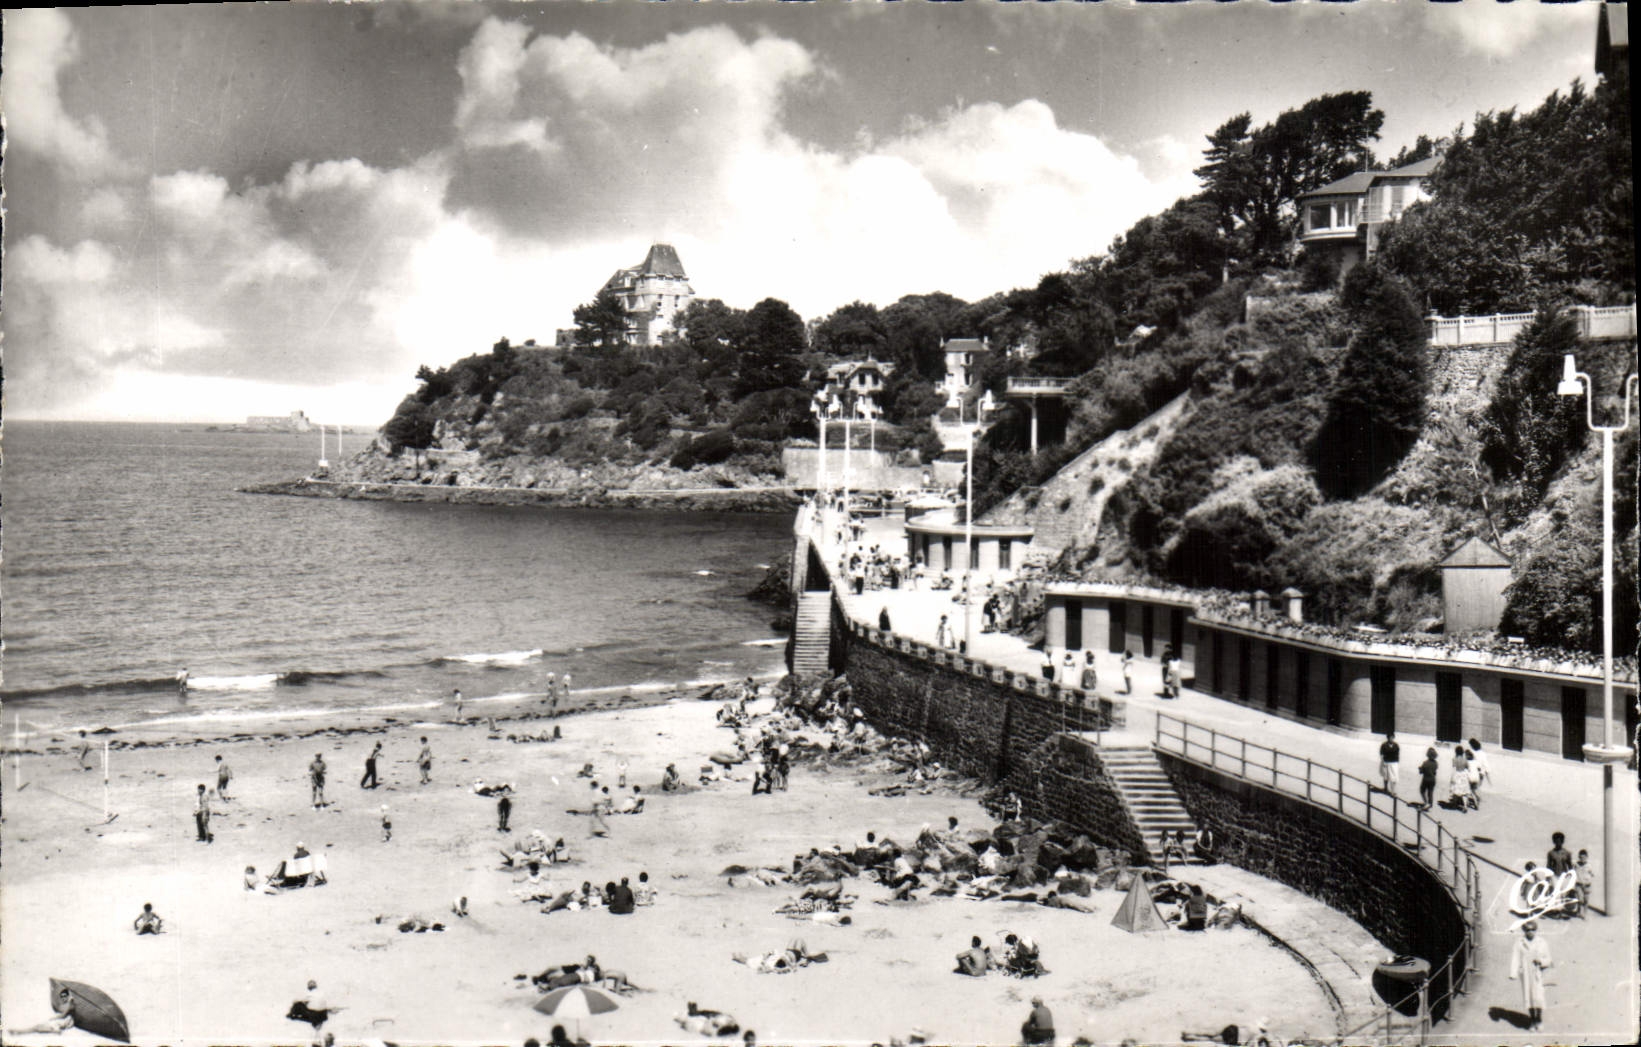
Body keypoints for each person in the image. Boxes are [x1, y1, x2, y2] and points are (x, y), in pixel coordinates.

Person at [1510, 920, 1552, 1028]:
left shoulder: (1542, 942)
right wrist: (1513, 973)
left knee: (1538, 997)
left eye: (1533, 930)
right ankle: (1532, 1020)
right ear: (1524, 930)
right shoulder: (1519, 942)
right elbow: (1515, 958)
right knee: (1528, 997)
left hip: (1537, 973)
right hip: (1525, 973)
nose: (1530, 932)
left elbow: (1548, 959)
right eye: (1528, 930)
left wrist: (1541, 961)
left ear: (1536, 930)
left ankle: (1539, 1019)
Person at [1467, 737, 1491, 804]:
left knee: (1471, 787)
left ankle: (1477, 798)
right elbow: (1486, 765)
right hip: (1481, 774)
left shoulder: (1472, 752)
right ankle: (1476, 798)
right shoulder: (1483, 753)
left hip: (1473, 772)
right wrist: (1488, 776)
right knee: (1476, 787)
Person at [1448, 746, 1472, 811]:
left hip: (1457, 774)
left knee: (1456, 791)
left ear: (1456, 752)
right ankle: (1465, 806)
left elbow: (1454, 768)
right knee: (1464, 792)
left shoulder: (1454, 759)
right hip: (1463, 775)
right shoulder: (1465, 760)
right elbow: (1468, 768)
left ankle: (1454, 805)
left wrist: (1452, 778)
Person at [1572, 849, 1594, 916]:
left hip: (1587, 885)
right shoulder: (1576, 864)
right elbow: (1573, 872)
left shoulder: (1589, 866)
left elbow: (1592, 873)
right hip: (1578, 884)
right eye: (1581, 857)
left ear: (1587, 857)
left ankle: (1585, 913)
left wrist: (1590, 876)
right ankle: (1579, 911)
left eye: (1584, 857)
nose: (1582, 859)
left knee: (1586, 900)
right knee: (1580, 899)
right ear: (1579, 857)